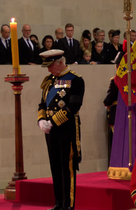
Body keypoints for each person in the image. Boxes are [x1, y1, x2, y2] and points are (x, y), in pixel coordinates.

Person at [37, 49, 85, 210]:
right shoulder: (49, 80)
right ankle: (58, 203)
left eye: (50, 66)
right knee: (55, 166)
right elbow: (42, 104)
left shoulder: (76, 80)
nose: (49, 70)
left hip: (66, 130)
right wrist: (41, 120)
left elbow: (73, 106)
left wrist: (52, 121)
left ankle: (68, 205)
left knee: (67, 167)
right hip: (51, 132)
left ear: (60, 62)